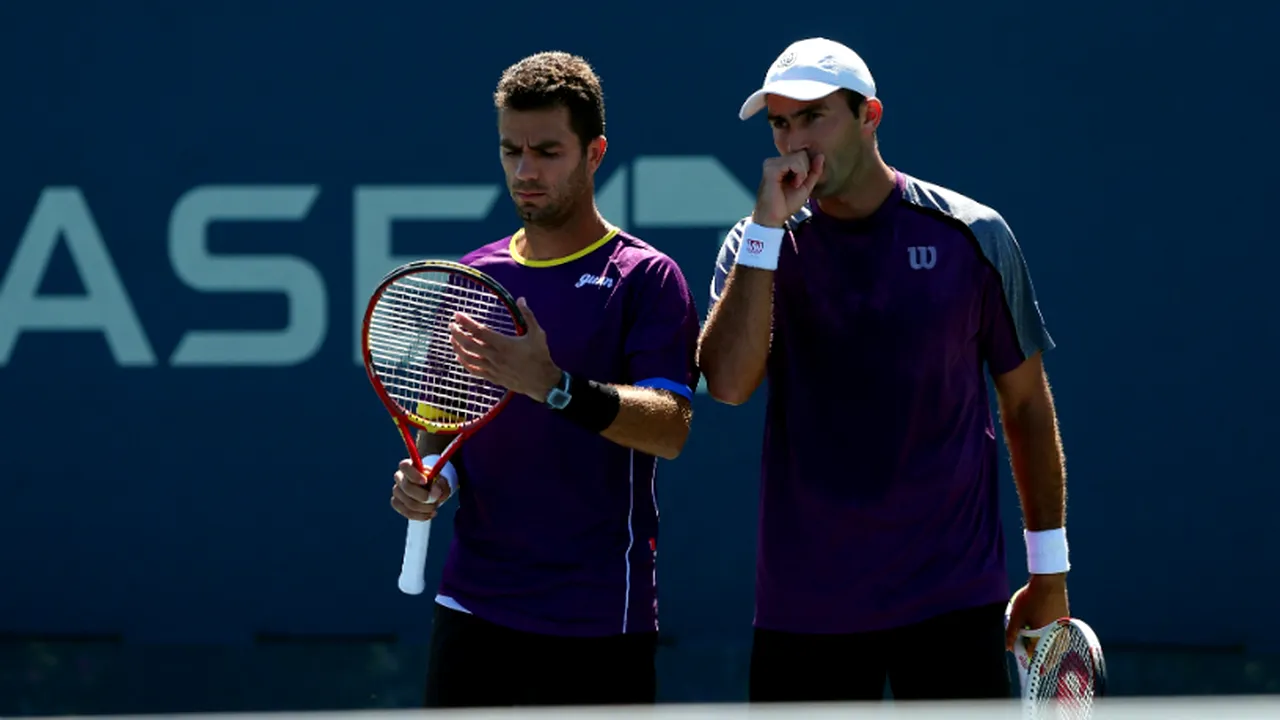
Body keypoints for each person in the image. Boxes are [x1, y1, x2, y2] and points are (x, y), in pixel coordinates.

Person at [697, 37, 1071, 702]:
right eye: (781, 122)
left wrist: (1050, 576)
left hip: (951, 600)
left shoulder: (974, 235)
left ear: (869, 115)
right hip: (805, 607)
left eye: (814, 117)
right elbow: (727, 385)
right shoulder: (755, 244)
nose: (795, 141)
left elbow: (1025, 406)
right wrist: (765, 229)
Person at [389, 51, 701, 708]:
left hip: (597, 621)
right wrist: (429, 480)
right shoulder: (473, 277)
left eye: (548, 152)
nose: (525, 171)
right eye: (511, 150)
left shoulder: (646, 278)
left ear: (594, 153)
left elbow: (670, 429)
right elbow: (444, 427)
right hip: (471, 610)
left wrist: (555, 386)